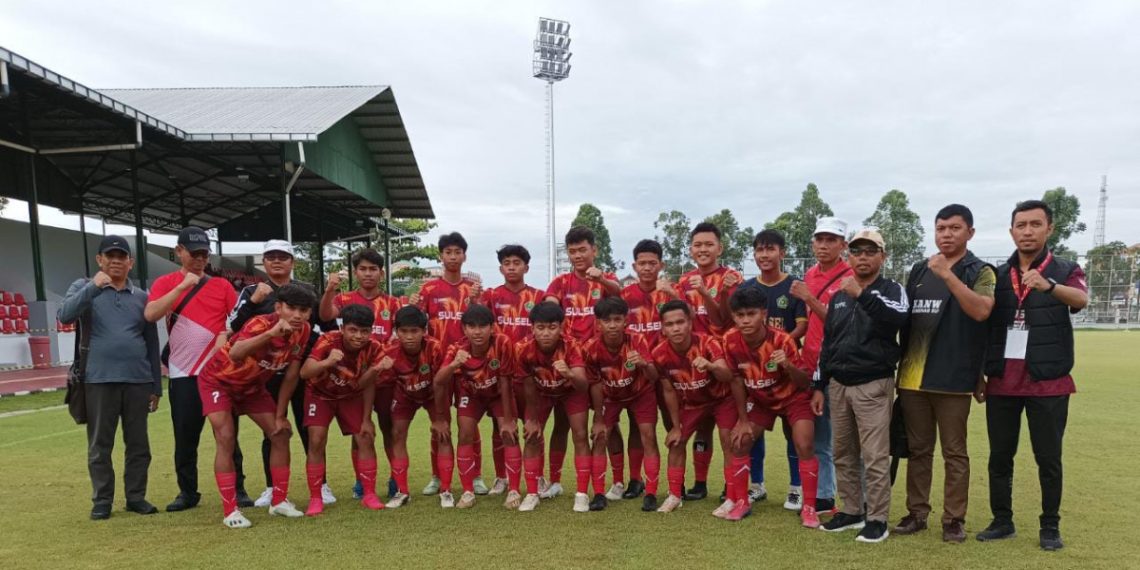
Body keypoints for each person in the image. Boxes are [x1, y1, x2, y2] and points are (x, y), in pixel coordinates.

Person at [976, 200, 1087, 551]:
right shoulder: (995, 274)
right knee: (999, 457)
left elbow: (1081, 300)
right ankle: (1002, 520)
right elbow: (984, 326)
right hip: (1002, 382)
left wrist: (1048, 286)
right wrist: (980, 372)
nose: (1027, 231)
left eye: (1035, 224)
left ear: (1048, 229)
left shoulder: (1067, 268)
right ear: (1011, 231)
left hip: (1048, 380)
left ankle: (1050, 526)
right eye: (1020, 225)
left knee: (1048, 458)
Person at [894, 204, 996, 543]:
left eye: (954, 228)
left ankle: (954, 519)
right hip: (913, 377)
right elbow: (907, 321)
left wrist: (948, 275)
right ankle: (917, 512)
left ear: (970, 232)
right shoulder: (919, 270)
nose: (946, 234)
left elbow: (981, 312)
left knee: (955, 452)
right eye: (941, 228)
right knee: (918, 450)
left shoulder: (980, 271)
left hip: (954, 377)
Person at [59, 235, 163, 520]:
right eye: (110, 256)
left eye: (122, 256)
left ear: (130, 263)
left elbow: (152, 343)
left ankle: (136, 497)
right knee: (100, 445)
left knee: (139, 444)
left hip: (138, 380)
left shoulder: (142, 297)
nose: (116, 261)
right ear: (99, 260)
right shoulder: (83, 287)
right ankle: (102, 500)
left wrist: (156, 385)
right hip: (97, 379)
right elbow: (65, 315)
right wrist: (94, 286)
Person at [144, 226, 247, 512]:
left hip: (217, 373)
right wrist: (182, 286)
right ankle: (187, 492)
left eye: (204, 254)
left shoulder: (221, 285)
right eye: (194, 253)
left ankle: (238, 488)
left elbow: (236, 321)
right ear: (179, 252)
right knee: (185, 436)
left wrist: (225, 336)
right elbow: (151, 314)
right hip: (182, 372)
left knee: (227, 432)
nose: (200, 259)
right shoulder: (166, 283)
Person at [195, 283, 316, 528]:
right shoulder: (260, 323)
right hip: (218, 382)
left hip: (251, 388)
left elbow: (292, 374)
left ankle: (279, 501)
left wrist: (281, 414)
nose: (297, 315)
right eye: (291, 308)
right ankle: (231, 511)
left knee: (280, 434)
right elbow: (237, 352)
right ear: (278, 307)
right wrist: (271, 334)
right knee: (226, 437)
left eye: (303, 310)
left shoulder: (303, 331)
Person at [814, 228, 908, 543]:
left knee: (874, 455)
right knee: (843, 452)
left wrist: (862, 294)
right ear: (849, 255)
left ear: (883, 256)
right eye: (857, 251)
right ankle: (852, 510)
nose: (863, 257)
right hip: (839, 384)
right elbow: (829, 342)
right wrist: (820, 384)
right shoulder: (840, 295)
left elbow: (898, 319)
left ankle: (877, 518)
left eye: (870, 251)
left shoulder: (891, 289)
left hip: (873, 383)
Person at [230, 239, 333, 508]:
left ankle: (320, 485)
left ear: (292, 262)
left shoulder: (306, 290)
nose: (277, 261)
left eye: (283, 257)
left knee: (308, 427)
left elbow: (325, 324)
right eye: (271, 257)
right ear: (263, 262)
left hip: (299, 369)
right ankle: (271, 487)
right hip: (265, 374)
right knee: (273, 429)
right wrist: (253, 302)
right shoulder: (252, 290)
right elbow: (233, 327)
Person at [723, 287, 820, 527]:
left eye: (751, 314)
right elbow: (736, 380)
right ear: (733, 316)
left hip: (793, 399)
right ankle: (742, 502)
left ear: (763, 313)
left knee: (804, 444)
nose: (745, 320)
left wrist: (787, 364)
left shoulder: (782, 339)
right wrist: (743, 419)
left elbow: (804, 382)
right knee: (740, 441)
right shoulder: (730, 340)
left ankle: (809, 507)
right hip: (761, 401)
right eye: (740, 315)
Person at [668, 222, 743, 502]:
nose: (703, 249)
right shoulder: (684, 281)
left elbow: (724, 319)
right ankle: (700, 483)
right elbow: (679, 318)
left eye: (708, 244)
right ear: (690, 249)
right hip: (693, 363)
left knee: (728, 429)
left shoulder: (731, 278)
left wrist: (705, 293)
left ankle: (731, 486)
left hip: (723, 360)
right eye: (698, 245)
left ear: (719, 248)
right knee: (702, 426)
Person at [543, 226, 620, 500]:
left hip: (600, 364)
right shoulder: (560, 283)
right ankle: (554, 481)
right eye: (572, 251)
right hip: (570, 362)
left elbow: (620, 296)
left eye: (582, 250)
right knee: (562, 423)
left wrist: (604, 282)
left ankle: (617, 482)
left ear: (594, 251)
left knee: (608, 423)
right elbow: (550, 309)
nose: (577, 255)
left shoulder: (606, 279)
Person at [319, 248, 401, 500]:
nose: (368, 274)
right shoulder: (344, 300)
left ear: (381, 273)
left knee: (390, 429)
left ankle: (396, 480)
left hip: (385, 379)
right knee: (360, 431)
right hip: (354, 381)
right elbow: (324, 316)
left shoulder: (393, 303)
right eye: (363, 269)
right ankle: (360, 481)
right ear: (356, 272)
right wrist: (329, 289)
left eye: (373, 269)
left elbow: (402, 335)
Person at [413, 232, 490, 496]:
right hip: (440, 368)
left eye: (458, 252)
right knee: (440, 421)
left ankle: (476, 475)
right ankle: (437, 475)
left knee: (469, 423)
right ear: (441, 256)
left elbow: (485, 322)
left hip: (469, 367)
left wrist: (477, 300)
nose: (453, 256)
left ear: (464, 256)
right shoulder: (428, 290)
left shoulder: (474, 288)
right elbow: (415, 324)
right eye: (448, 252)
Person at [737, 229, 809, 506]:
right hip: (756, 373)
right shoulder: (746, 289)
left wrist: (780, 344)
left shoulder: (793, 286)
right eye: (759, 250)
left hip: (787, 367)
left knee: (794, 432)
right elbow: (738, 325)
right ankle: (756, 485)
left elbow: (802, 324)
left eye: (770, 249)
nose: (764, 255)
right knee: (752, 432)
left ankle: (796, 487)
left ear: (783, 253)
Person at [292, 303, 386, 516]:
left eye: (364, 331)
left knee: (365, 436)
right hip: (319, 394)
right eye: (353, 330)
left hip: (350, 396)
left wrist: (366, 418)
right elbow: (305, 373)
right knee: (316, 439)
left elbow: (367, 384)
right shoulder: (328, 340)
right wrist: (327, 362)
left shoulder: (375, 348)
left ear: (371, 331)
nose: (359, 336)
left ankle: (369, 494)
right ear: (343, 328)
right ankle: (316, 498)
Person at [651, 300, 739, 514]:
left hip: (722, 400)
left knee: (729, 441)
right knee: (676, 442)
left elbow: (727, 375)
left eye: (680, 322)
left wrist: (709, 366)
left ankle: (733, 496)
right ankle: (674, 495)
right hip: (693, 403)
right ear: (663, 328)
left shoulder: (709, 343)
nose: (676, 328)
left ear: (690, 323)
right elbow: (669, 391)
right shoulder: (659, 353)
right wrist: (675, 426)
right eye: (670, 324)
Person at [789, 217, 851, 514]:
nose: (824, 245)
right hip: (813, 364)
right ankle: (824, 497)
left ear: (843, 244)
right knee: (820, 438)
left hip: (841, 365)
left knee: (848, 439)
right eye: (820, 239)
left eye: (831, 240)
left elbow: (842, 323)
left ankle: (858, 502)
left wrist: (809, 298)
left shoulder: (849, 277)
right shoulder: (811, 273)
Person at [431, 304, 519, 510]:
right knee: (465, 433)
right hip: (471, 395)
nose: (477, 332)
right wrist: (454, 365)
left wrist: (508, 419)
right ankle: (468, 491)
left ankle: (513, 489)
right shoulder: (456, 349)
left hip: (498, 394)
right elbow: (438, 381)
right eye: (471, 326)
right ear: (464, 329)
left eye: (482, 326)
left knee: (508, 433)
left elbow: (506, 381)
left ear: (492, 327)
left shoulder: (503, 343)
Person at [516, 302, 598, 512]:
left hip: (571, 392)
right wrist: (532, 419)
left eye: (552, 327)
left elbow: (582, 384)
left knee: (579, 435)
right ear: (532, 327)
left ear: (562, 327)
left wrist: (569, 373)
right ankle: (533, 492)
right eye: (540, 327)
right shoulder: (522, 348)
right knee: (532, 435)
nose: (546, 333)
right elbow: (528, 386)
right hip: (541, 393)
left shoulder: (572, 346)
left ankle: (580, 494)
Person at [583, 296, 662, 512]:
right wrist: (598, 419)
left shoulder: (637, 340)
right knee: (600, 436)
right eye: (607, 321)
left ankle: (650, 492)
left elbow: (654, 376)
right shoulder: (591, 348)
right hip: (611, 396)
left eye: (617, 319)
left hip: (641, 393)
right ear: (598, 323)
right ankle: (600, 493)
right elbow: (595, 385)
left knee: (648, 436)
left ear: (625, 321)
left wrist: (644, 364)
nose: (612, 325)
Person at [616, 239, 677, 501]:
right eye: (642, 263)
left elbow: (689, 324)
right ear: (635, 265)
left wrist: (673, 294)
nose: (648, 268)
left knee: (673, 424)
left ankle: (678, 484)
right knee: (637, 428)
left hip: (667, 371)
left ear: (661, 265)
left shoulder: (669, 293)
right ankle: (635, 479)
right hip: (636, 373)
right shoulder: (625, 297)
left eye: (653, 263)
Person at [480, 244, 543, 495]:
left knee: (532, 425)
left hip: (530, 373)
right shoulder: (491, 296)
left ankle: (537, 477)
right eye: (507, 263)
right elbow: (480, 328)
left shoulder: (538, 297)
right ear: (500, 268)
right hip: (500, 373)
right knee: (500, 425)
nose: (512, 267)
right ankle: (501, 476)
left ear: (526, 267)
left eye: (517, 263)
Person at [376, 306, 449, 508]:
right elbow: (380, 384)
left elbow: (441, 383)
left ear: (424, 331)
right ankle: (402, 491)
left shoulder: (435, 347)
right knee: (397, 434)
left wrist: (441, 418)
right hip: (405, 395)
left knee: (444, 433)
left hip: (433, 393)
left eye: (414, 331)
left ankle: (446, 490)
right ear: (396, 331)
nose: (409, 337)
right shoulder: (388, 352)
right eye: (404, 331)